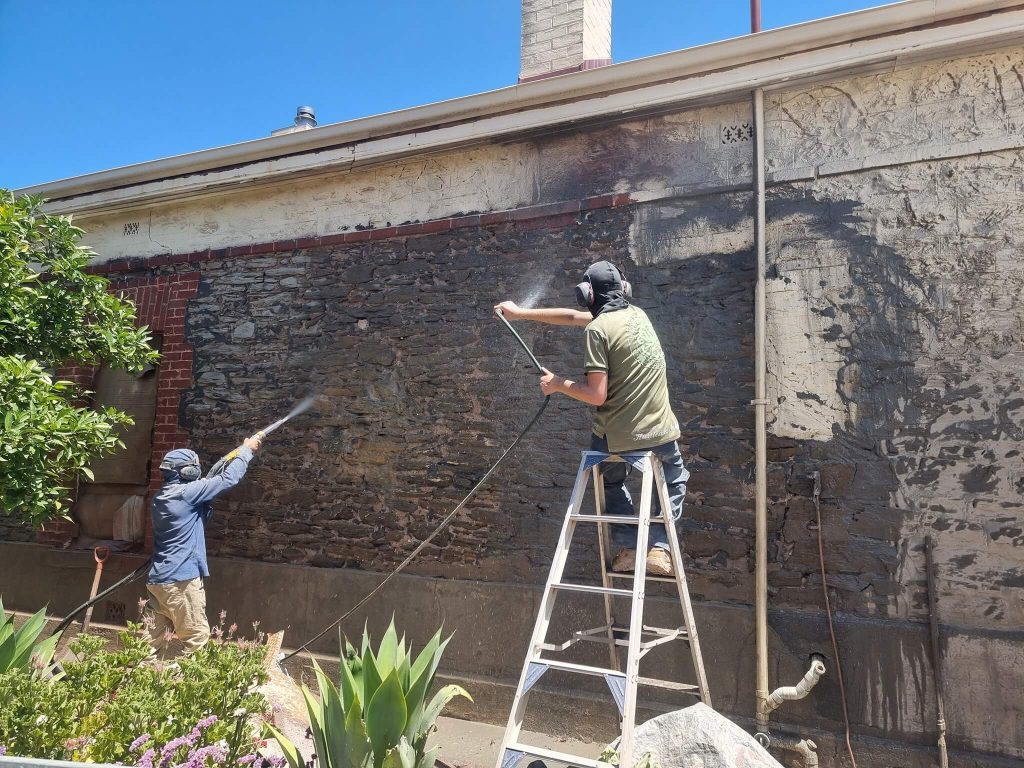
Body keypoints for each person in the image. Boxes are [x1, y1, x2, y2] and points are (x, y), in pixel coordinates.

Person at [495, 261, 687, 576]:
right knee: (674, 478)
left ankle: (629, 547)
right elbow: (573, 318)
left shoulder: (598, 331)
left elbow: (597, 395)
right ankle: (658, 547)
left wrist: (557, 384)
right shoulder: (638, 315)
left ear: (587, 294)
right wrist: (521, 313)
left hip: (616, 437)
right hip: (662, 432)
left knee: (608, 479)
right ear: (623, 290)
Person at [144, 437, 261, 658]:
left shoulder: (161, 497)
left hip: (159, 580)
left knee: (149, 646)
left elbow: (199, 511)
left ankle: (138, 675)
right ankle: (189, 680)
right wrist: (246, 451)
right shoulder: (188, 493)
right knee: (196, 638)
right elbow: (228, 479)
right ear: (188, 471)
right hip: (181, 580)